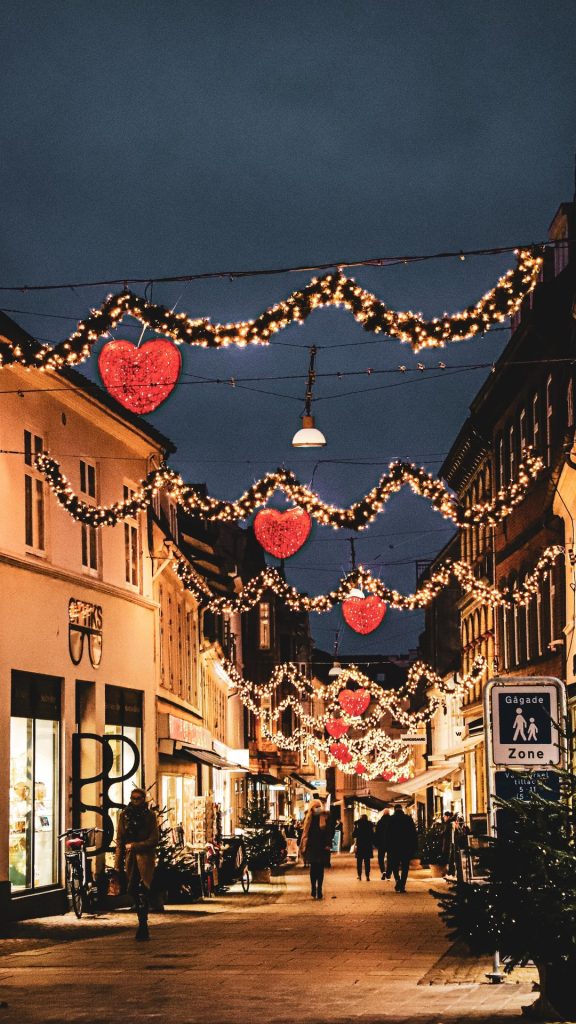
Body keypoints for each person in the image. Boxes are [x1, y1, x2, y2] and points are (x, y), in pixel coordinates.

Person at [114, 788, 159, 940]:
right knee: (133, 890)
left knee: (142, 890)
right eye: (133, 798)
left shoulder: (150, 816)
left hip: (145, 859)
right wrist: (117, 864)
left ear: (144, 799)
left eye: (138, 798)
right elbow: (120, 840)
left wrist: (135, 846)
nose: (135, 801)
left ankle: (143, 925)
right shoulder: (124, 816)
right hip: (130, 860)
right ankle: (142, 922)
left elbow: (154, 839)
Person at [300, 798, 332, 899]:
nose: (317, 809)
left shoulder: (325, 817)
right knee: (313, 869)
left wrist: (328, 843)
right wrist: (303, 845)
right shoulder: (308, 818)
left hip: (322, 847)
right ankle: (314, 887)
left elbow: (329, 832)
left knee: (320, 869)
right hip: (311, 847)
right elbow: (305, 832)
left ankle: (319, 889)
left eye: (319, 807)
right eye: (316, 807)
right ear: (312, 808)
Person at [387, 805, 418, 892]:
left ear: (394, 809)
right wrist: (414, 846)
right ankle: (402, 885)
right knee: (405, 867)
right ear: (402, 810)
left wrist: (387, 847)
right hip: (406, 847)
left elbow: (387, 835)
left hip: (394, 847)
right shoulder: (408, 819)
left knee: (395, 865)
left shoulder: (391, 819)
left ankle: (398, 880)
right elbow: (413, 834)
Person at [352, 813, 374, 881]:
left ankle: (359, 875)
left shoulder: (358, 824)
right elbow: (372, 835)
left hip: (360, 845)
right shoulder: (370, 825)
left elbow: (354, 835)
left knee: (359, 862)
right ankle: (367, 876)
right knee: (367, 862)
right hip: (367, 845)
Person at [375, 808, 392, 879]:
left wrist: (376, 843)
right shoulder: (392, 821)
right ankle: (388, 873)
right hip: (391, 843)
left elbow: (377, 833)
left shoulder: (380, 822)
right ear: (389, 813)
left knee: (380, 858)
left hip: (381, 843)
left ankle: (383, 871)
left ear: (383, 813)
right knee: (390, 858)